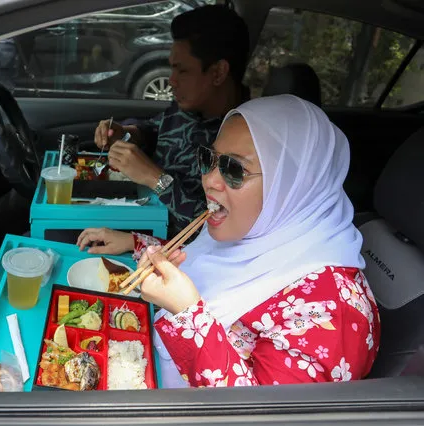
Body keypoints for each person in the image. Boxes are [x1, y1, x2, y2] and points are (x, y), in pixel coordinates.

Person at [133, 95, 380, 388]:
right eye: (208, 160)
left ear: (291, 186)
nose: (210, 180)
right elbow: (203, 259)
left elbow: (261, 416)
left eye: (234, 170)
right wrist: (135, 243)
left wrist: (187, 314)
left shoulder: (332, 312)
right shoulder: (253, 234)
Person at [85, 5, 250, 245]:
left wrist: (156, 179)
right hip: (133, 219)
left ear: (217, 73)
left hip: (164, 250)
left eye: (182, 71)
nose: (171, 81)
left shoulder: (245, 142)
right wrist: (127, 134)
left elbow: (213, 230)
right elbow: (154, 128)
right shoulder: (188, 109)